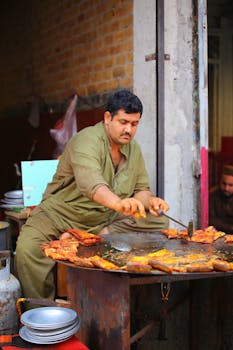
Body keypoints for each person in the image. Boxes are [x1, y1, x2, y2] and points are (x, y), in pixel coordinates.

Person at [15, 89, 169, 301]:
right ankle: (44, 317)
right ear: (107, 118)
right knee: (27, 250)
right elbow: (91, 185)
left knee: (159, 223)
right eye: (123, 122)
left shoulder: (134, 149)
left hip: (103, 220)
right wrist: (120, 203)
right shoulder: (86, 140)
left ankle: (97, 236)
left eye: (134, 124)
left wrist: (149, 201)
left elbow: (142, 189)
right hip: (59, 216)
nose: (129, 130)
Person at [209, 164, 233, 234]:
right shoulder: (212, 194)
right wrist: (230, 227)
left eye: (231, 185)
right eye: (224, 184)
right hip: (217, 235)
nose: (226, 188)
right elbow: (210, 219)